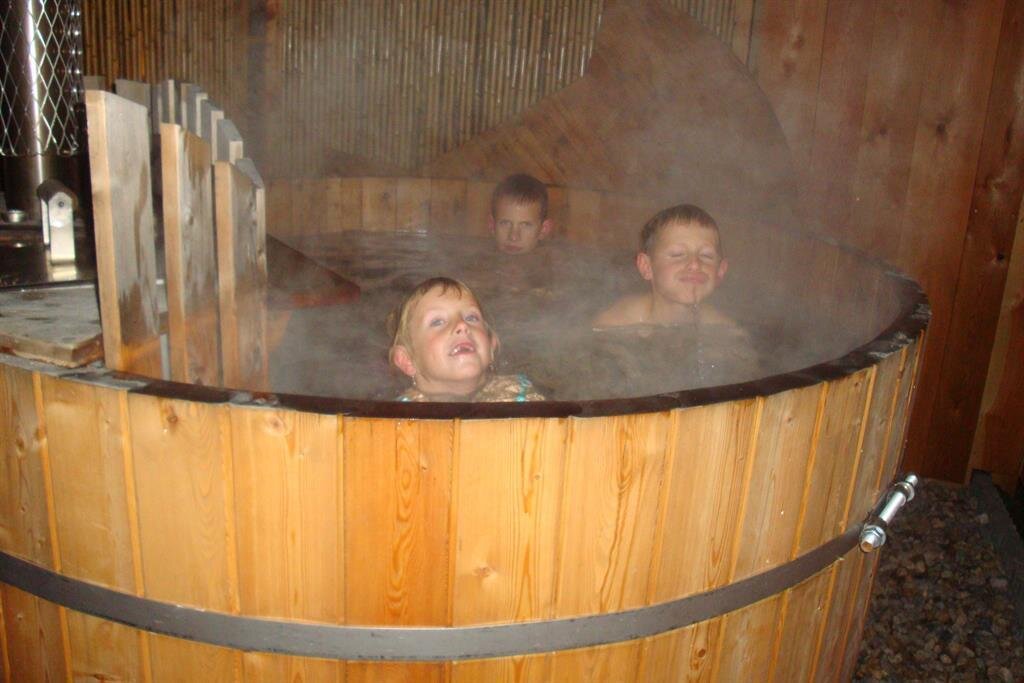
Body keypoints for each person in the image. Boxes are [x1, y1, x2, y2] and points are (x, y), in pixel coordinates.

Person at [388, 277, 545, 402]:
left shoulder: (517, 393)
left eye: (471, 317)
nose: (462, 325)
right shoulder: (398, 417)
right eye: (437, 322)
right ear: (407, 360)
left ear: (491, 345)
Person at [593, 203, 737, 330]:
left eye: (706, 255)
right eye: (677, 254)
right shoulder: (614, 324)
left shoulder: (726, 331)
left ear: (720, 271)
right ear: (646, 267)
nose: (695, 264)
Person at [489, 173, 553, 255]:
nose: (513, 237)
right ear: (492, 225)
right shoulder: (477, 259)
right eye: (505, 223)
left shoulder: (558, 261)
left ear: (543, 229)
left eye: (525, 225)